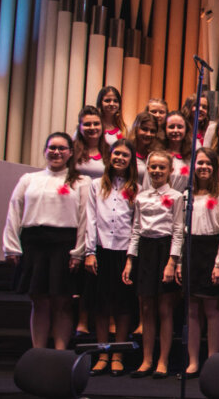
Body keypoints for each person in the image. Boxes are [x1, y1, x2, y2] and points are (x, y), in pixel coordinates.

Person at [3, 133, 90, 349]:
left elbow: (85, 218)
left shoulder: (81, 181)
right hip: (34, 243)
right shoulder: (29, 179)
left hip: (64, 244)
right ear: (45, 151)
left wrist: (79, 252)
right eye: (52, 148)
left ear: (70, 153)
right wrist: (11, 247)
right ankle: (38, 352)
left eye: (62, 148)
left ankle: (59, 355)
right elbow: (14, 211)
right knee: (39, 301)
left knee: (62, 302)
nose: (57, 152)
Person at [122, 151, 184, 378]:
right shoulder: (141, 196)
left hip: (165, 249)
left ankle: (162, 360)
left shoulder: (177, 196)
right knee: (146, 308)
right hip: (145, 251)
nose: (157, 171)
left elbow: (178, 231)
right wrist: (130, 260)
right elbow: (136, 230)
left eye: (162, 167)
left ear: (170, 171)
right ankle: (146, 359)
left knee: (164, 309)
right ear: (147, 169)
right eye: (153, 167)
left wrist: (172, 261)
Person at [84, 139, 138, 376]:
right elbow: (90, 219)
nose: (120, 158)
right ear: (110, 156)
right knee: (101, 306)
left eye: (125, 155)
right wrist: (89, 252)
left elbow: (137, 224)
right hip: (102, 250)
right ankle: (102, 353)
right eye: (117, 154)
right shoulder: (96, 185)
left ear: (131, 160)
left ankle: (118, 354)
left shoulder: (136, 187)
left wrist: (131, 257)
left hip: (124, 252)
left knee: (123, 306)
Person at [178, 148, 219, 377]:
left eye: (208, 164)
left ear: (215, 168)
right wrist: (178, 261)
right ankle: (193, 361)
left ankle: (212, 359)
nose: (204, 167)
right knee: (191, 309)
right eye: (200, 163)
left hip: (212, 249)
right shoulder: (186, 195)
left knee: (212, 308)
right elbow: (180, 230)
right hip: (191, 248)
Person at [157, 111, 192, 192]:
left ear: (186, 129)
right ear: (164, 129)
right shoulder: (156, 155)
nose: (176, 130)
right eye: (171, 127)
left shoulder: (191, 157)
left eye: (180, 127)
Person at [75, 105, 110, 180]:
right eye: (87, 124)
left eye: (96, 124)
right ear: (79, 127)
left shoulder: (110, 151)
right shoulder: (71, 150)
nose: (92, 127)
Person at [129, 112, 159, 184]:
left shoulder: (155, 155)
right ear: (136, 129)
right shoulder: (127, 152)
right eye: (144, 129)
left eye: (152, 131)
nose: (148, 134)